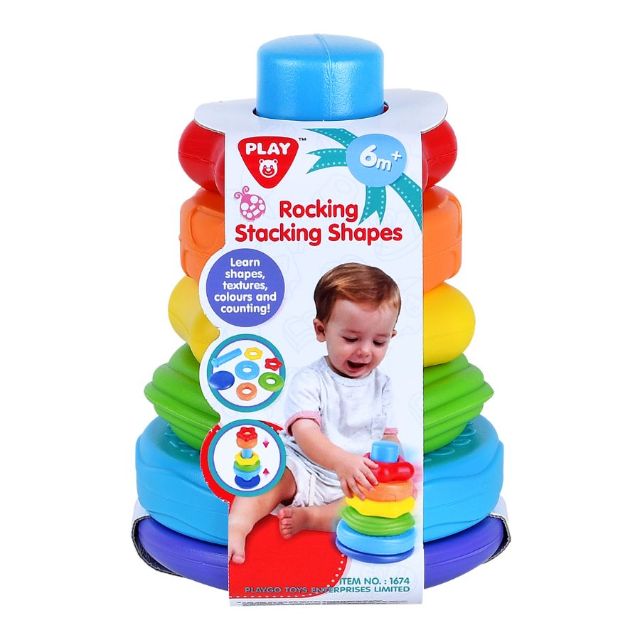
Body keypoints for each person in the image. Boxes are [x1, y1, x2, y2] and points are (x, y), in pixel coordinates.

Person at [228, 263, 401, 564]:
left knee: (372, 506)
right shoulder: (311, 379)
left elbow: (388, 436)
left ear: (391, 336)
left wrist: (388, 464)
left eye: (378, 341)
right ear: (321, 330)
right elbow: (305, 433)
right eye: (351, 339)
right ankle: (239, 523)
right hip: (305, 466)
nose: (365, 350)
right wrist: (341, 461)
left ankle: (313, 518)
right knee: (272, 478)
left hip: (353, 477)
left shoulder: (383, 385)